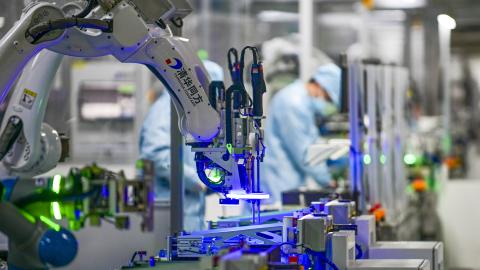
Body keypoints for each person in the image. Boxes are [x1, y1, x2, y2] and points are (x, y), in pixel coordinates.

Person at [139, 60, 224, 231]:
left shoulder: (190, 112)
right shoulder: (167, 108)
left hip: (186, 212)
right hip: (168, 213)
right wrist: (199, 180)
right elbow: (155, 154)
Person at [262, 63, 341, 205]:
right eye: (328, 98)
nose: (327, 104)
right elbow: (305, 154)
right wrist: (327, 181)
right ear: (319, 86)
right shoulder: (293, 103)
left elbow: (313, 143)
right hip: (278, 183)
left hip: (287, 181)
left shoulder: (302, 103)